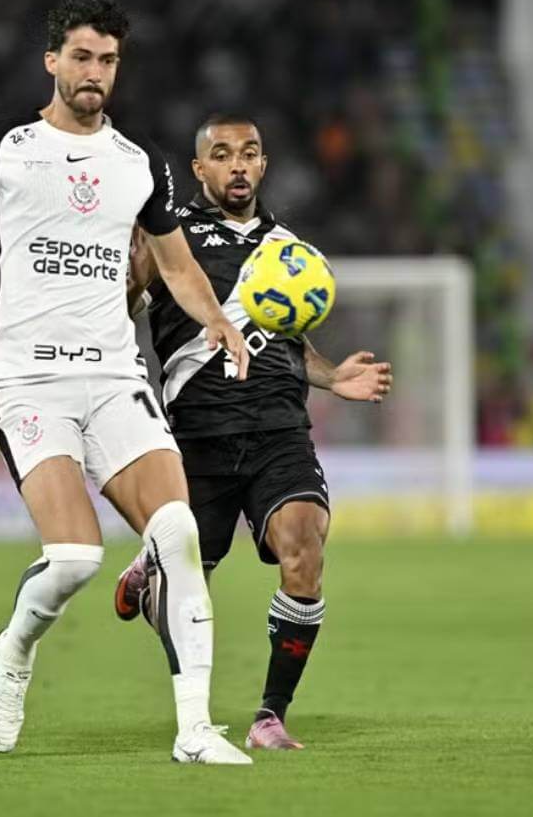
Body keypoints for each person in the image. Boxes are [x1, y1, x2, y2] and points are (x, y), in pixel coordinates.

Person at [0, 0, 252, 765]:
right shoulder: (5, 145)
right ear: (52, 61)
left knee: (177, 531)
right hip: (27, 378)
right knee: (74, 558)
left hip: (113, 375)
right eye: (81, 57)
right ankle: (13, 648)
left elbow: (176, 266)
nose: (94, 72)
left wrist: (219, 320)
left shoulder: (141, 164)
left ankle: (195, 729)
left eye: (107, 60)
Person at [113, 114, 392, 750]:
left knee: (305, 547)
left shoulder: (288, 248)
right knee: (182, 593)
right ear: (199, 168)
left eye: (249, 153)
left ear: (263, 165)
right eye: (221, 154)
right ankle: (154, 573)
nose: (237, 164)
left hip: (278, 431)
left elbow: (287, 341)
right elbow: (118, 309)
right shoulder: (166, 235)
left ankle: (270, 715)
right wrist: (129, 274)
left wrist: (332, 377)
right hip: (198, 438)